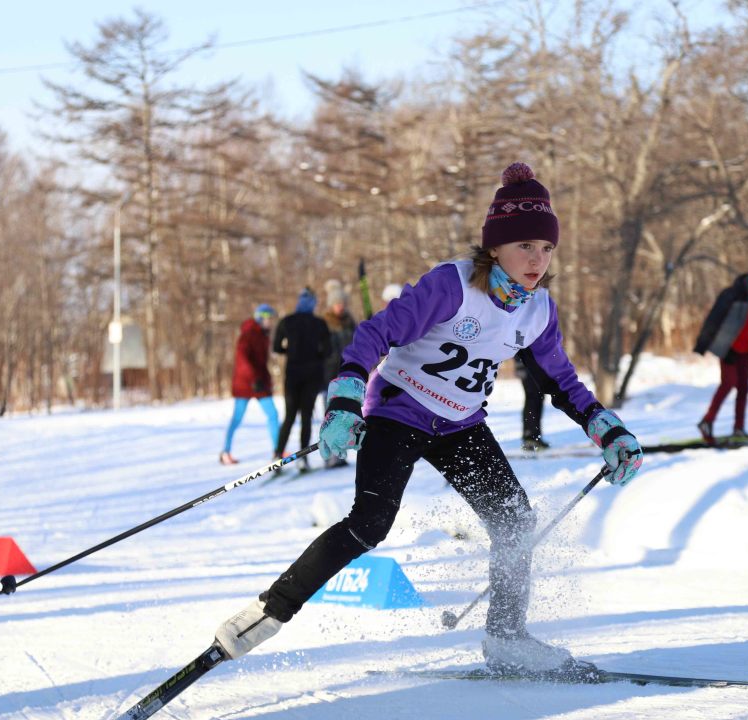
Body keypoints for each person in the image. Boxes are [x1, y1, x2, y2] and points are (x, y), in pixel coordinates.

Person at [212, 162, 643, 674]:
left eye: (546, 248)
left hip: (459, 425)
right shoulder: (452, 286)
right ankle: (267, 611)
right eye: (525, 245)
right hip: (400, 413)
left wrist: (606, 428)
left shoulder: (537, 311)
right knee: (370, 524)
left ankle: (506, 637)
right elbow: (374, 334)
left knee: (515, 522)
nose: (537, 258)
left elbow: (561, 382)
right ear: (495, 247)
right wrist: (347, 397)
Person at [693, 266, 748, 443]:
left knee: (744, 388)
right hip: (728, 347)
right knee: (728, 383)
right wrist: (703, 343)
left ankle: (739, 428)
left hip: (746, 349)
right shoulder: (736, 293)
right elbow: (715, 317)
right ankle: (707, 422)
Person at [271, 287, 331, 469]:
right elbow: (328, 351)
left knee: (289, 416)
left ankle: (277, 455)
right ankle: (303, 458)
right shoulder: (319, 324)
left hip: (293, 374)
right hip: (312, 375)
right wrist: (316, 356)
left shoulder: (287, 321)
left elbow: (276, 347)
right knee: (306, 416)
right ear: (313, 304)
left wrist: (290, 351)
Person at [221, 305, 280, 465]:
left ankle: (278, 450)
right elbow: (242, 361)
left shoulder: (263, 335)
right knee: (237, 418)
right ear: (260, 318)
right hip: (246, 384)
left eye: (271, 319)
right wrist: (254, 380)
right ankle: (225, 452)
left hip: (259, 384)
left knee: (273, 415)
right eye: (268, 319)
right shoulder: (247, 335)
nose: (270, 322)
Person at [321, 281, 360, 468]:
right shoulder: (325, 323)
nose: (340, 306)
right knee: (330, 416)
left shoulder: (350, 321)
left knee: (346, 414)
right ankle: (329, 456)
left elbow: (357, 341)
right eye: (337, 303)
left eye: (342, 303)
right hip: (329, 374)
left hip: (347, 372)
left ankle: (340, 453)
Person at [516, 359, 550, 451]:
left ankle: (536, 436)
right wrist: (520, 364)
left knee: (539, 398)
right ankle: (529, 437)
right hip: (526, 366)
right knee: (532, 398)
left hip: (537, 366)